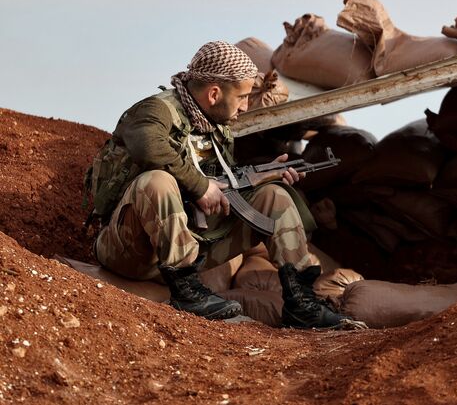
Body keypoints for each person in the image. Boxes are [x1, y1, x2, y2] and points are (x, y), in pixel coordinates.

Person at [85, 40, 352, 328]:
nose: (246, 106)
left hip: (186, 245)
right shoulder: (155, 111)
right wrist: (200, 187)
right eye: (242, 97)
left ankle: (302, 302)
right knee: (157, 181)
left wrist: (263, 176)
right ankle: (188, 294)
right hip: (129, 249)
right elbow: (148, 147)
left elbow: (219, 185)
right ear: (214, 93)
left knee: (273, 195)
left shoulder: (216, 127)